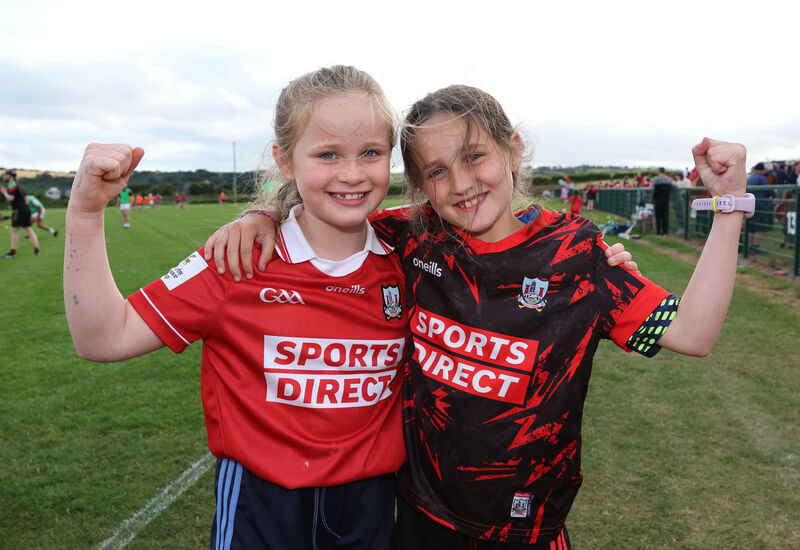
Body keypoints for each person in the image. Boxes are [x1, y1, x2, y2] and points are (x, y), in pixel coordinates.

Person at [206, 84, 746, 549]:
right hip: (419, 515)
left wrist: (729, 205)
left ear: (512, 148)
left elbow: (694, 334)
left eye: (474, 157)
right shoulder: (413, 238)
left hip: (526, 528)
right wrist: (267, 212)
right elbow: (331, 206)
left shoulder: (580, 257)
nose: (461, 184)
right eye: (436, 171)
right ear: (420, 186)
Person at [64, 66, 412, 550]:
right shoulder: (239, 261)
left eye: (370, 153)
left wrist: (262, 210)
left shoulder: (412, 256)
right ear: (286, 162)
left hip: (373, 505)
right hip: (260, 504)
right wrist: (85, 212)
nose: (352, 174)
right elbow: (103, 337)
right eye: (327, 154)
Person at [1, 169, 40, 257]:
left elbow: (11, 198)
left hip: (19, 210)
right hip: (26, 209)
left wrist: (4, 192)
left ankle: (12, 252)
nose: (3, 176)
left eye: (5, 175)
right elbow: (26, 199)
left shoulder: (12, 185)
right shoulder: (19, 185)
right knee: (29, 230)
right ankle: (36, 250)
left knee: (13, 230)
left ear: (9, 176)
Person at [746, 162, 774, 253]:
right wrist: (773, 194)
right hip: (760, 205)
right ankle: (755, 248)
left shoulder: (750, 177)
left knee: (751, 227)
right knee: (760, 227)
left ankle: (749, 247)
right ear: (762, 170)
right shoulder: (760, 177)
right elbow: (769, 190)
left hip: (750, 204)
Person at [652, 167, 672, 236]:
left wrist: (654, 198)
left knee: (658, 217)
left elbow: (654, 191)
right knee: (664, 216)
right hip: (666, 200)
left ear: (659, 171)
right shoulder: (667, 179)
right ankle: (665, 232)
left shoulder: (657, 179)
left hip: (658, 200)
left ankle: (658, 232)